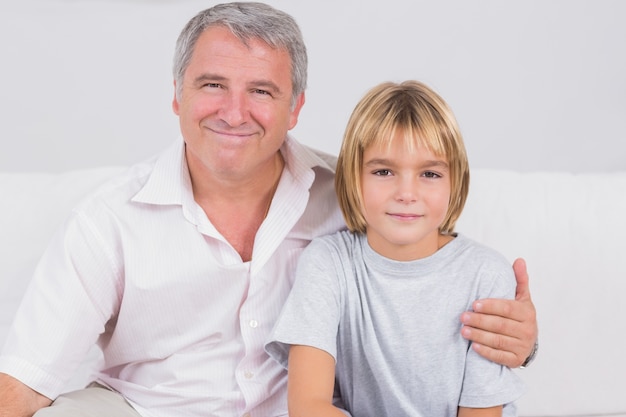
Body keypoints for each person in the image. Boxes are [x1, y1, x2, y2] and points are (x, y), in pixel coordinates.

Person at [0, 3, 537, 417]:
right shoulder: (108, 221)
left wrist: (516, 338)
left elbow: (433, 280)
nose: (234, 113)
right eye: (213, 85)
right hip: (150, 410)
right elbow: (23, 380)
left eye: (261, 90)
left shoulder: (353, 194)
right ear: (177, 95)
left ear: (295, 108)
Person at [266, 80, 526, 417]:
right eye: (384, 171)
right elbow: (308, 406)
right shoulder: (327, 263)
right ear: (353, 178)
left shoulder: (486, 275)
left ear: (455, 182)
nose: (406, 192)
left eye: (430, 174)